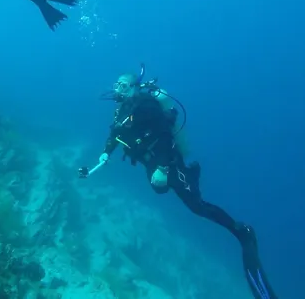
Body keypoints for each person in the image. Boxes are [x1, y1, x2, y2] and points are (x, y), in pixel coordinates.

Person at [79, 64, 278, 299]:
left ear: (134, 87)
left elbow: (165, 135)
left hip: (169, 162)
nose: (117, 89)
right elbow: (115, 134)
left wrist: (163, 168)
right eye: (117, 85)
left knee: (197, 207)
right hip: (151, 162)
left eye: (123, 86)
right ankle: (185, 177)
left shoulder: (147, 106)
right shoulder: (122, 110)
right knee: (159, 189)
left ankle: (240, 230)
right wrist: (105, 153)